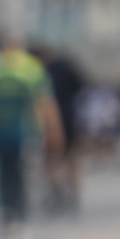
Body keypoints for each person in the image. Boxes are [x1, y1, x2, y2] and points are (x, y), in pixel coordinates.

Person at [0, 34, 62, 239]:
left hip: (0, 133)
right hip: (25, 134)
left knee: (3, 175)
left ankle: (6, 213)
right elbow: (45, 102)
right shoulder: (31, 69)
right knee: (21, 177)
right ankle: (20, 219)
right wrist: (53, 130)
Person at [34, 44, 87, 214]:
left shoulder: (41, 73)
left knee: (50, 160)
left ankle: (57, 193)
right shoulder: (66, 66)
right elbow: (82, 86)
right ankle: (73, 194)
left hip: (51, 121)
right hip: (71, 118)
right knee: (71, 159)